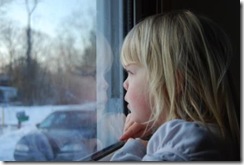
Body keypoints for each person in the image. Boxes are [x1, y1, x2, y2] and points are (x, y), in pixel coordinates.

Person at [110, 10, 240, 161]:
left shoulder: (185, 139)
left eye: (131, 72)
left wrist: (135, 146)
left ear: (172, 82)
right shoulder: (211, 136)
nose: (124, 84)